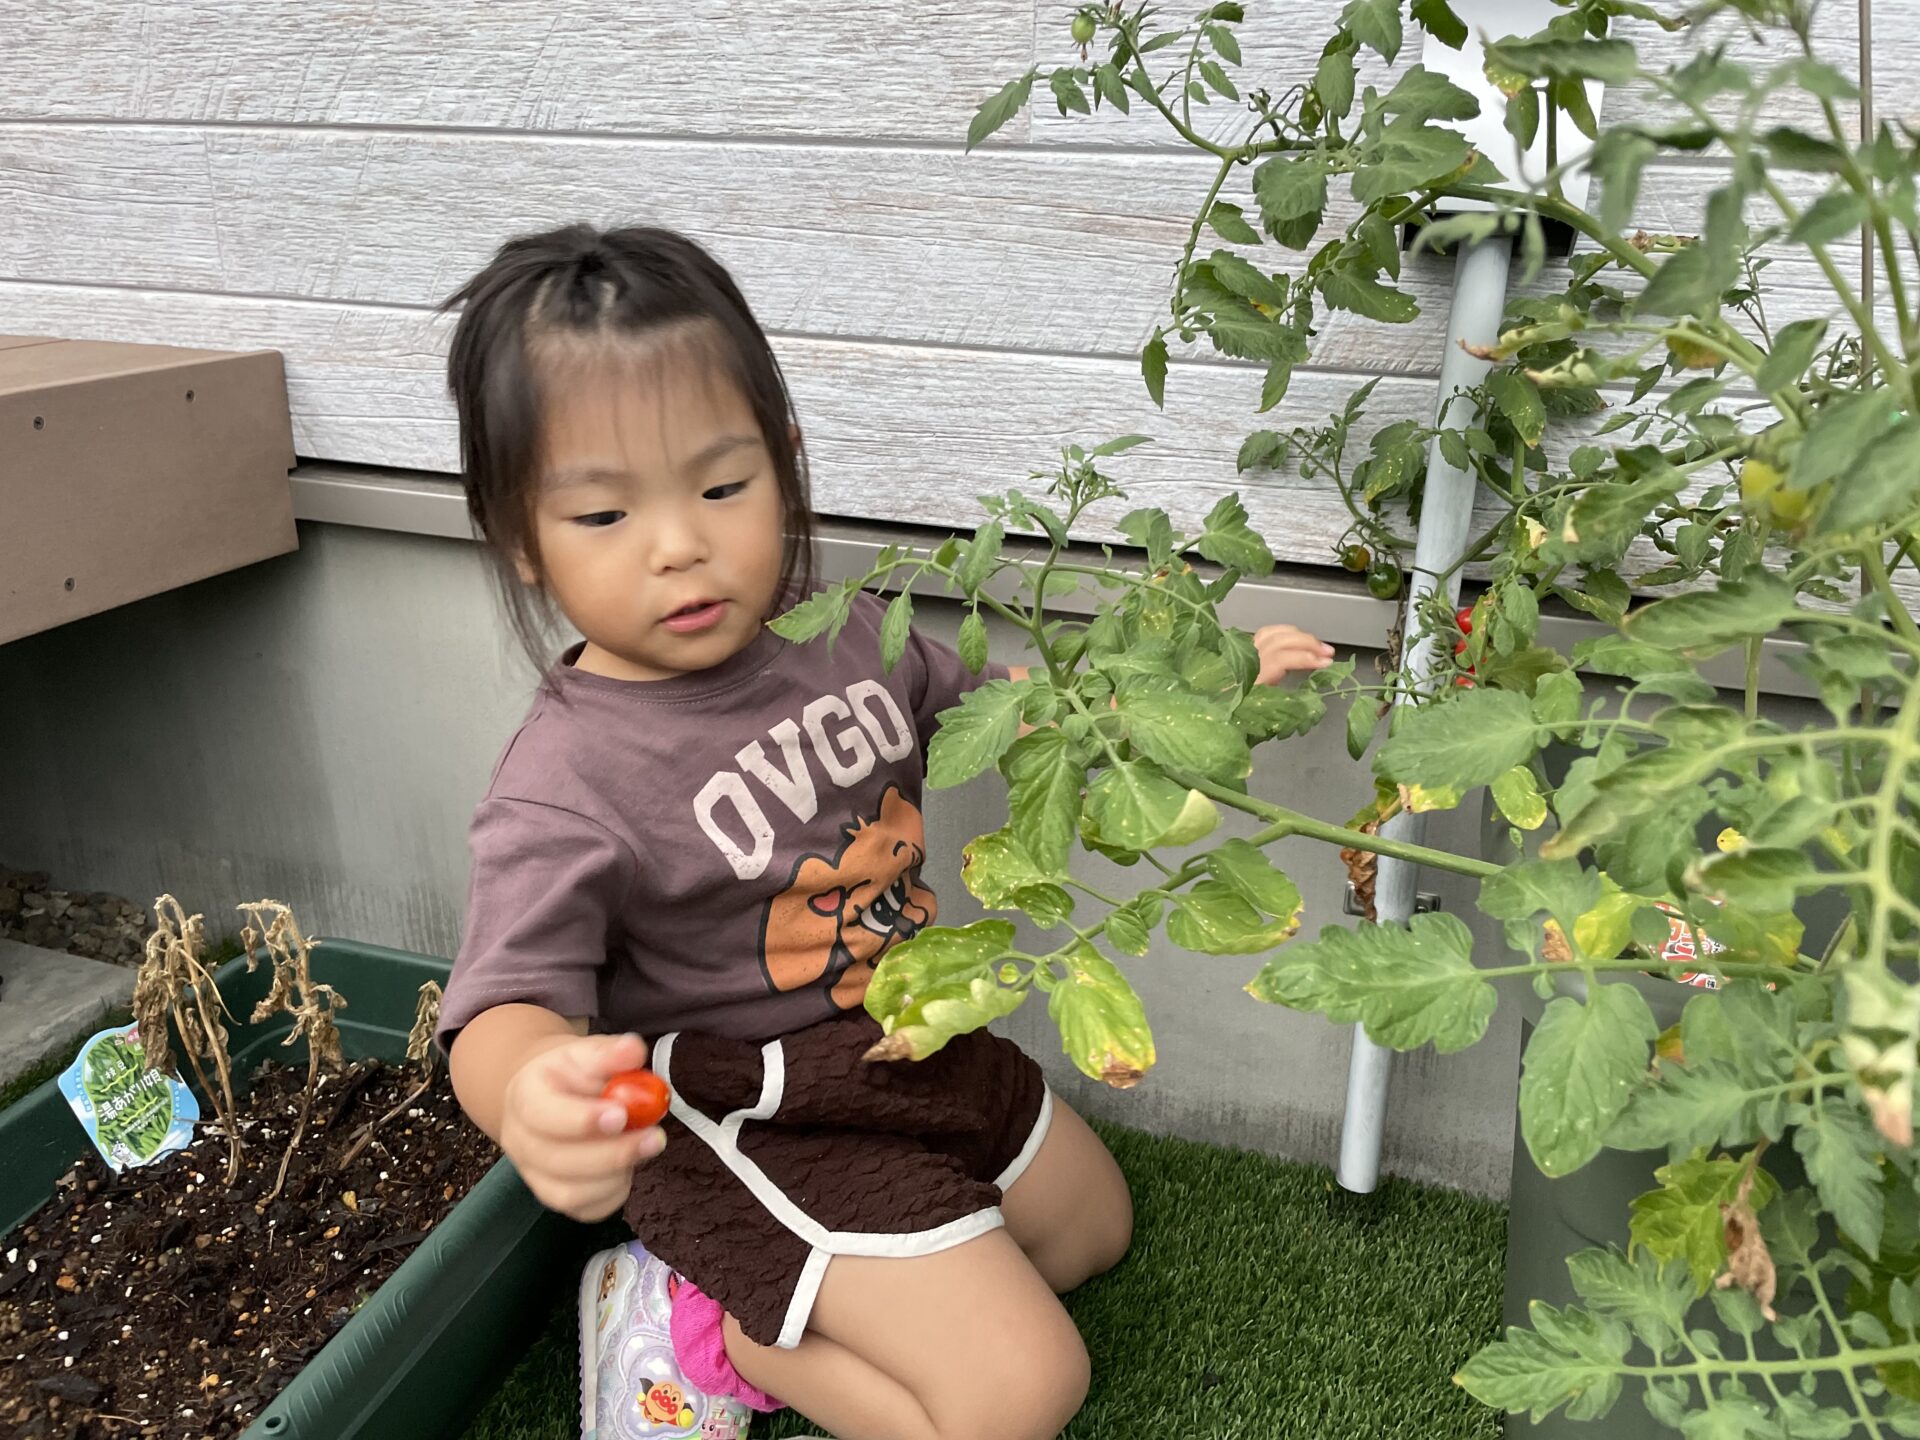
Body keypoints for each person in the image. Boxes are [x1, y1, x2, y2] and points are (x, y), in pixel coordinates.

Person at [433, 223, 1336, 1440]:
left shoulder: (843, 626)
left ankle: (804, 1291)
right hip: (748, 1107)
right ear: (518, 541)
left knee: (1090, 1230)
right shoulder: (567, 780)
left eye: (720, 485)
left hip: (912, 1037)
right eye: (603, 514)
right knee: (1021, 1392)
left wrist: (1203, 699)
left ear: (787, 462)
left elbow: (1018, 718)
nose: (679, 544)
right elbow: (497, 1005)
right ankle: (708, 1332)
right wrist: (528, 1086)